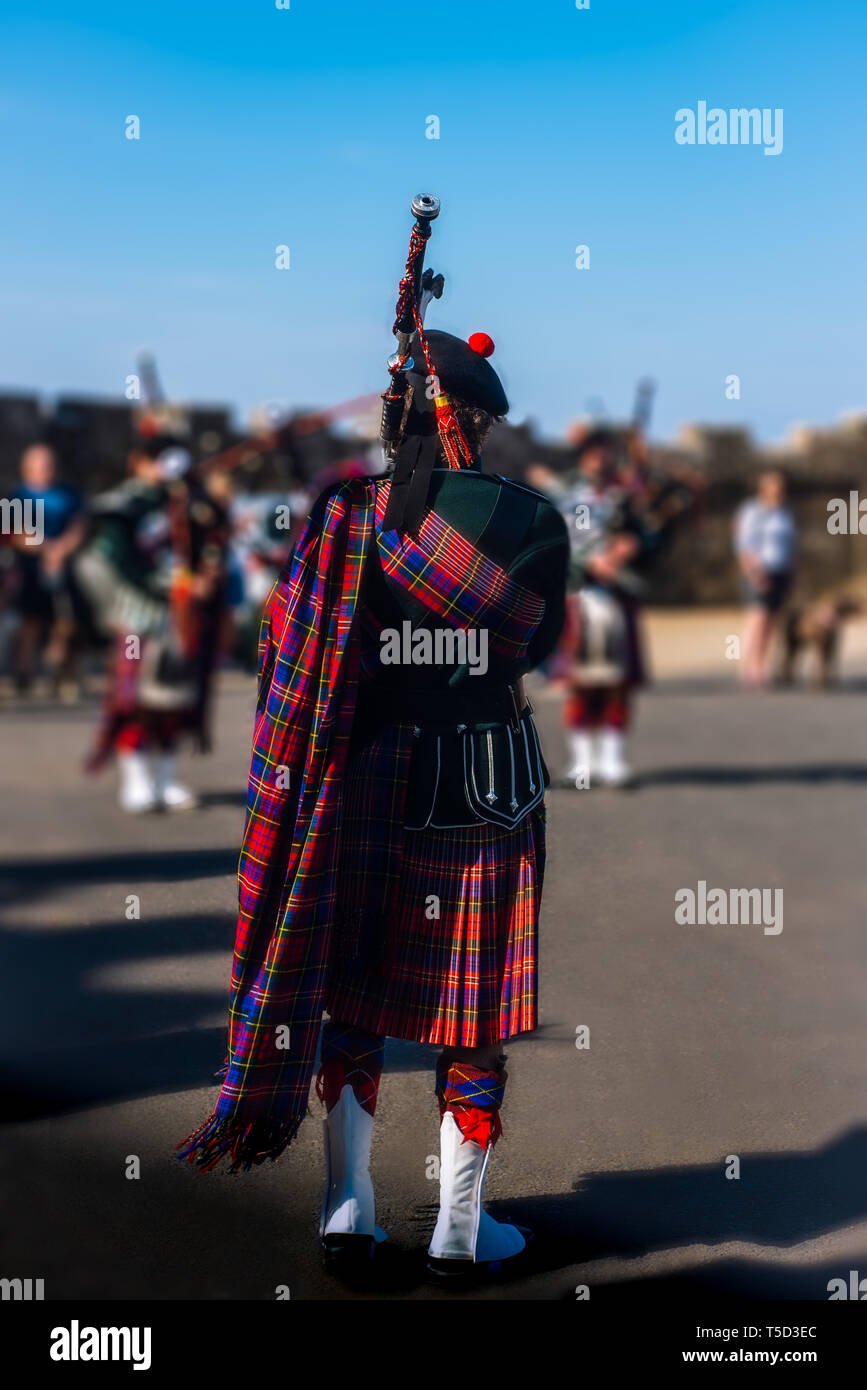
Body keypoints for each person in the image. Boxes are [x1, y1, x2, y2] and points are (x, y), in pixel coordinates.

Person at [179, 325, 569, 1284]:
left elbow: (290, 651)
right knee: (470, 1016)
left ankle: (346, 1213)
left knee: (351, 996)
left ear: (395, 414)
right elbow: (534, 648)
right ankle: (459, 1233)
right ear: (470, 419)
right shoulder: (529, 521)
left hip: (362, 779)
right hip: (480, 785)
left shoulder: (342, 521)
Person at [78, 435, 228, 811]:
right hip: (137, 616)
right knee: (134, 702)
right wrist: (177, 584)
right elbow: (117, 560)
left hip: (181, 618)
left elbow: (215, 535)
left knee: (175, 700)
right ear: (139, 461)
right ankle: (136, 780)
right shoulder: (121, 505)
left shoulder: (188, 501)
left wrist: (205, 574)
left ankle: (165, 778)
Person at [553, 427, 646, 788]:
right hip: (580, 593)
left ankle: (612, 760)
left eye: (604, 450)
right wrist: (590, 564)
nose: (599, 458)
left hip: (620, 594)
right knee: (580, 683)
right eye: (593, 451)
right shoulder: (566, 494)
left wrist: (632, 544)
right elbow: (558, 543)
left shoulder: (628, 496)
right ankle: (581, 762)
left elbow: (653, 535)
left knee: (618, 683)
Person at [10, 442, 87, 697]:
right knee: (29, 623)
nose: (46, 469)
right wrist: (44, 550)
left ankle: (62, 675)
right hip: (30, 569)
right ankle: (24, 676)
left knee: (66, 621)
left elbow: (79, 526)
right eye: (41, 465)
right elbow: (14, 533)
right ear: (27, 467)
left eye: (50, 464)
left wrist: (61, 550)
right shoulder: (16, 496)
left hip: (64, 567)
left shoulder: (69, 494)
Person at [734, 469, 797, 687]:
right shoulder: (752, 511)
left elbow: (790, 545)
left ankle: (765, 665)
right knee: (757, 619)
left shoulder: (784, 513)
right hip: (759, 571)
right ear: (764, 488)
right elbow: (744, 544)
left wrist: (792, 571)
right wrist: (755, 572)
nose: (777, 490)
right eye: (773, 486)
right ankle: (749, 666)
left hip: (780, 571)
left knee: (773, 622)